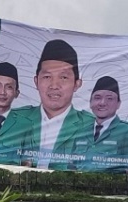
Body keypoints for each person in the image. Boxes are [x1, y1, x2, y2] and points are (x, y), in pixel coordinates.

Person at [18, 39, 95, 170]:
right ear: (36, 81)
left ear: (77, 84)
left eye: (63, 77)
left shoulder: (90, 126)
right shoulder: (17, 120)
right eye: (47, 77)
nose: (54, 86)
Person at [79, 76, 128, 174]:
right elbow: (71, 166)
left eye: (109, 98)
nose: (102, 103)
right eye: (97, 98)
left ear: (118, 104)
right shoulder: (82, 132)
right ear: (90, 102)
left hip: (112, 187)